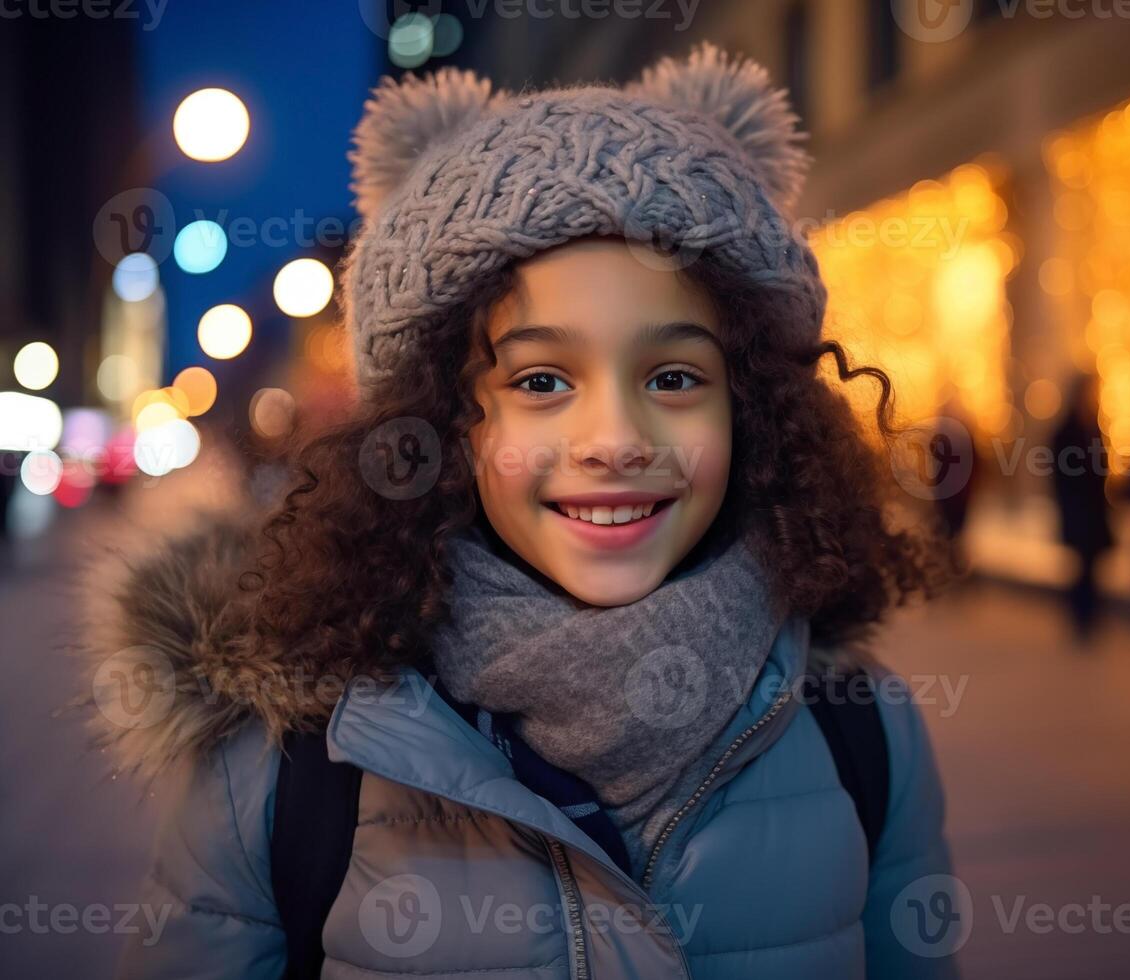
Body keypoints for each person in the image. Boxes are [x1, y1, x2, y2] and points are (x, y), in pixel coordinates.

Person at [79, 45, 959, 978]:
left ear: (752, 410)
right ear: (441, 422)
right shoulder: (283, 767)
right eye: (541, 380)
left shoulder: (860, 733)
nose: (615, 438)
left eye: (673, 376)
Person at [1050, 375, 1113, 639]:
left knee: (1090, 566)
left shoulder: (1093, 428)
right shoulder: (1067, 431)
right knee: (1082, 566)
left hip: (1094, 512)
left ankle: (1088, 617)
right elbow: (1061, 475)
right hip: (1078, 510)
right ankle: (1081, 617)